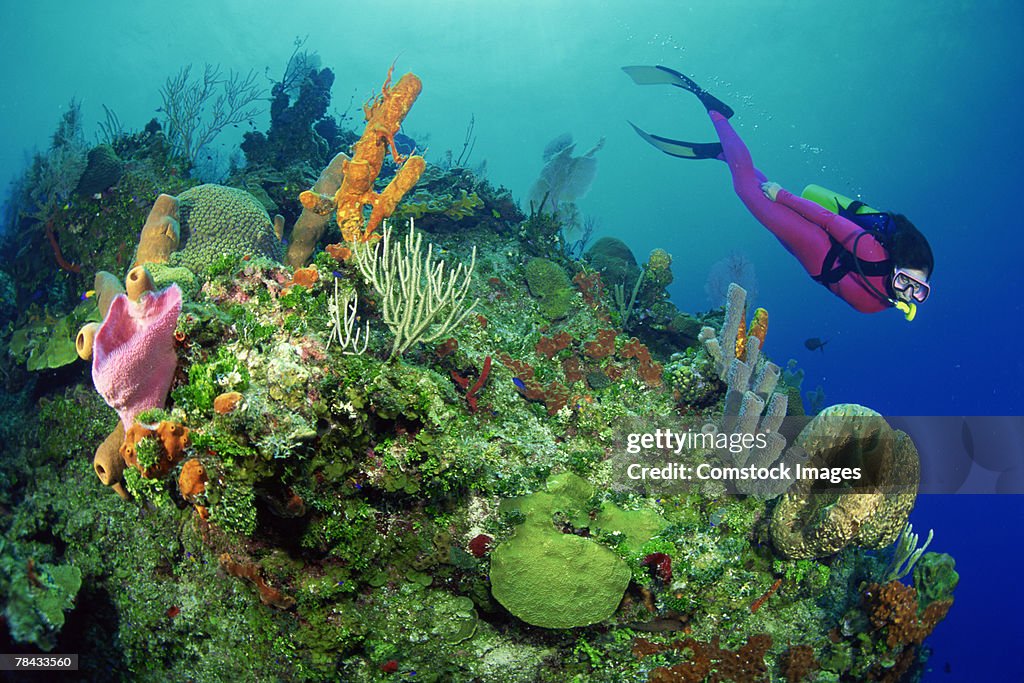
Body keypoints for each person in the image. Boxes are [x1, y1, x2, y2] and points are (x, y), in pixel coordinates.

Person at [623, 65, 933, 321]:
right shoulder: (872, 253)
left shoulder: (883, 301)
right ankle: (717, 113)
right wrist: (783, 196)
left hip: (807, 254)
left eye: (918, 290)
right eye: (906, 279)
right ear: (896, 266)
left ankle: (725, 154)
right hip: (813, 239)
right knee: (748, 190)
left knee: (752, 185)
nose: (908, 290)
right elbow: (827, 219)